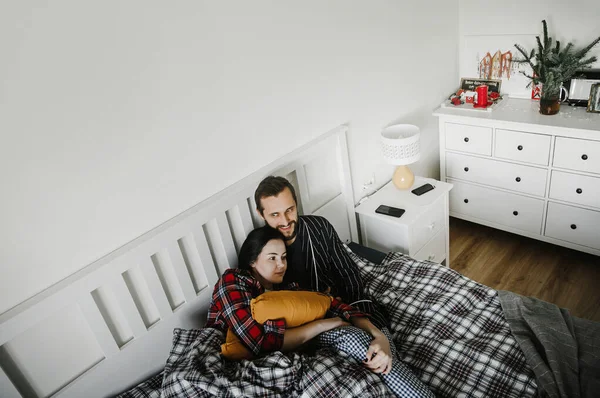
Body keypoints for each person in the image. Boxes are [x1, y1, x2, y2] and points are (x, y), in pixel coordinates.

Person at [206, 227, 435, 397]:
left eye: (284, 257)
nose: (281, 265)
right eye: (272, 258)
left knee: (368, 339)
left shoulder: (288, 289)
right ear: (253, 261)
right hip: (245, 363)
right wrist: (325, 324)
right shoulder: (233, 281)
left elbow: (335, 305)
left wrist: (379, 336)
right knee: (350, 337)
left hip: (305, 348)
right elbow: (258, 343)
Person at [253, 176, 388, 329]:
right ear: (261, 214)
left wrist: (358, 314)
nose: (285, 221)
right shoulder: (260, 250)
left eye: (289, 210)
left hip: (341, 307)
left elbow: (348, 273)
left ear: (296, 204)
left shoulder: (320, 227)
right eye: (275, 215)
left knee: (379, 324)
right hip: (303, 326)